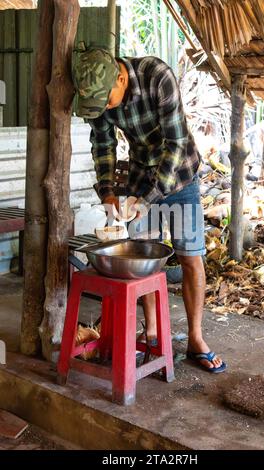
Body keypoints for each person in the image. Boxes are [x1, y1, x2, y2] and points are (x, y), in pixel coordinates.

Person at [72, 43, 226, 373]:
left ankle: (196, 339)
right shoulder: (99, 96)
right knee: (143, 258)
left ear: (120, 78)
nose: (103, 109)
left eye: (106, 102)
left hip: (181, 174)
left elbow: (176, 142)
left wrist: (148, 201)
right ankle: (154, 333)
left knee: (190, 256)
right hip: (141, 175)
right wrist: (109, 193)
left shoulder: (157, 77)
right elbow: (103, 144)